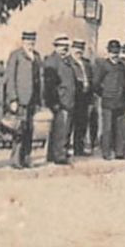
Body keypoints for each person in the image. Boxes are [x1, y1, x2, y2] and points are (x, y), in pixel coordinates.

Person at [4, 30, 42, 169]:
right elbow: (10, 78)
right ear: (23, 41)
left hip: (32, 99)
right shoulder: (16, 55)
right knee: (19, 130)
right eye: (27, 41)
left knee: (29, 130)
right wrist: (13, 99)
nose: (30, 44)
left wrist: (39, 100)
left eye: (32, 41)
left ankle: (26, 158)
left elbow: (39, 79)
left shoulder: (36, 56)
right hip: (20, 99)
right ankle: (16, 159)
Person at [43, 35, 76, 165]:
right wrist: (54, 102)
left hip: (67, 99)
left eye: (66, 47)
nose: (64, 49)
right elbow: (50, 84)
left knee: (62, 128)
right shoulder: (53, 61)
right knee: (61, 128)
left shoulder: (66, 61)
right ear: (56, 47)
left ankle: (54, 154)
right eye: (62, 46)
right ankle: (59, 155)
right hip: (60, 101)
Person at [98, 42, 125, 159]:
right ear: (108, 52)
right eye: (112, 52)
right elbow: (96, 83)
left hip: (121, 101)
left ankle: (119, 152)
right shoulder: (103, 65)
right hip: (108, 101)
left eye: (116, 52)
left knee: (120, 129)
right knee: (107, 128)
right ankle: (106, 153)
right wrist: (103, 94)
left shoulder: (122, 66)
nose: (114, 55)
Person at [68, 38, 92, 156]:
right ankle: (66, 148)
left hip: (84, 97)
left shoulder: (86, 63)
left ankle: (79, 148)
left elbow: (91, 78)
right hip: (73, 96)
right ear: (72, 50)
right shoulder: (69, 62)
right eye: (76, 50)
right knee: (69, 123)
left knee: (82, 123)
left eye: (81, 50)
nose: (79, 52)